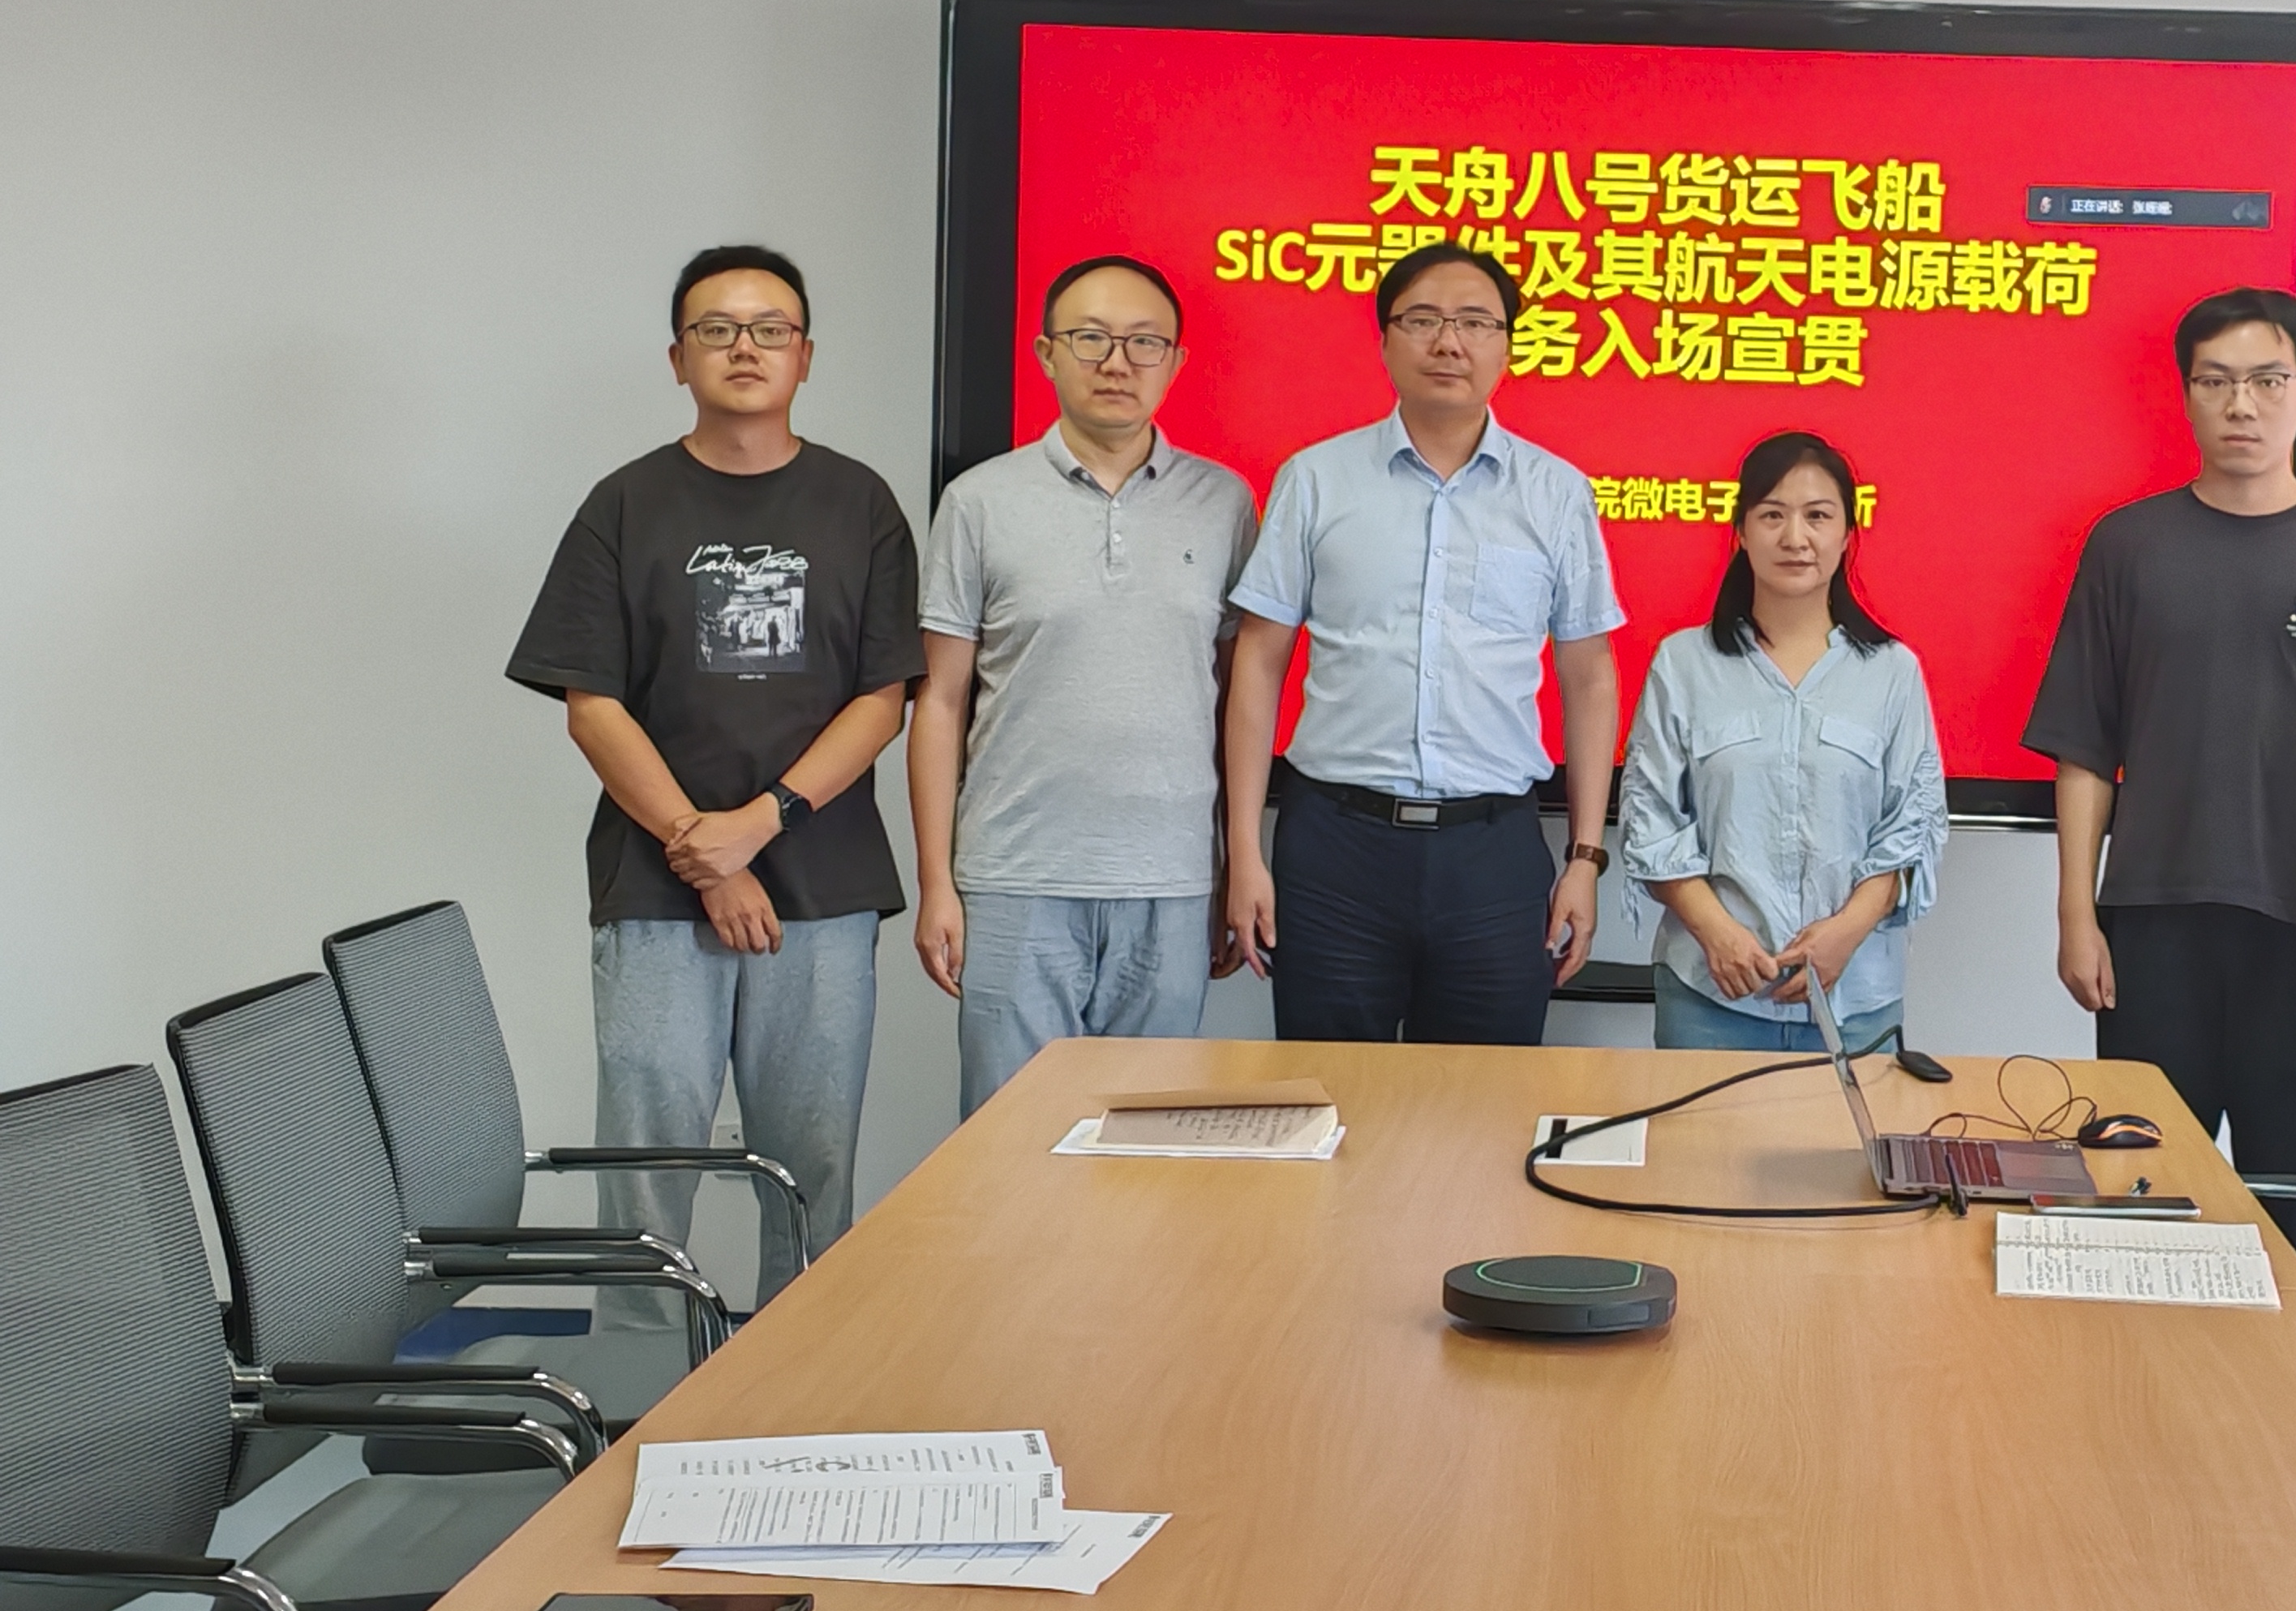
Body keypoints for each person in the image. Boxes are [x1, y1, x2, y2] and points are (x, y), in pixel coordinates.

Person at [507, 245, 923, 1317]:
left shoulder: (860, 504)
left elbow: (883, 699)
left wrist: (762, 824)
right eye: (718, 329)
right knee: (647, 1170)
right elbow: (592, 704)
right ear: (678, 358)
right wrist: (707, 852)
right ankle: (640, 1376)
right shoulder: (625, 505)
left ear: (806, 355)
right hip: (657, 890)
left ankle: (803, 1376)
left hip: (822, 888)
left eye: (770, 329)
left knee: (812, 1169)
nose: (746, 348)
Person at [2026, 289, 2296, 1261]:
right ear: (2186, 396)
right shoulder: (2127, 545)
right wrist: (2077, 915)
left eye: (2267, 381)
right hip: (2154, 924)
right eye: (2216, 382)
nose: (2241, 404)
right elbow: (2084, 746)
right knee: (2138, 1198)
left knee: (2287, 1215)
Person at [1221, 241, 1623, 1042]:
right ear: (1384, 341)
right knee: (1330, 1094)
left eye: (1475, 322)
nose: (1449, 342)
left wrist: (1584, 858)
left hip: (1493, 856)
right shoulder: (1316, 479)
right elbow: (1258, 662)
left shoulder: (1555, 493)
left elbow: (1589, 678)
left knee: (1480, 1101)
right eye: (1424, 321)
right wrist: (1243, 851)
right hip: (1335, 850)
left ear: (1507, 346)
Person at [911, 254, 1258, 1115]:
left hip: (1171, 881)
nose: (1118, 362)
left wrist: (1229, 863)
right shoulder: (978, 501)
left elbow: (1235, 699)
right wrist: (936, 882)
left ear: (1176, 362)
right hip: (1014, 876)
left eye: (1145, 343)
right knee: (1007, 1143)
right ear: (1045, 354)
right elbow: (940, 703)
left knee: (1145, 1146)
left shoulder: (1224, 502)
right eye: (1091, 338)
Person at [1620, 432, 1946, 1050]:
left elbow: (1912, 827)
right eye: (1772, 515)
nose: (1796, 538)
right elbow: (1651, 818)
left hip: (1855, 999)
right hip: (1711, 997)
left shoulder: (1891, 671)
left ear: (1847, 534)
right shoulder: (1684, 664)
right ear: (1741, 532)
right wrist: (1716, 932)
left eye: (1818, 516)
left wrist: (1846, 933)